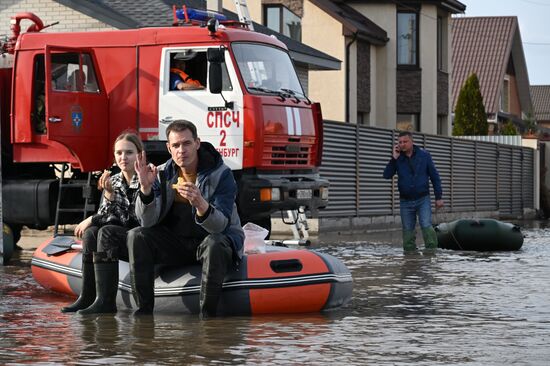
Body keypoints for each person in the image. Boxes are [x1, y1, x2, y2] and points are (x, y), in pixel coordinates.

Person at [129, 119, 244, 318]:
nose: (181, 150)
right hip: (177, 243)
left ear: (197, 143)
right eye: (176, 145)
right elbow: (146, 222)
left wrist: (200, 202)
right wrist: (146, 189)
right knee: (136, 235)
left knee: (214, 242)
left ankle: (207, 317)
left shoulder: (221, 173)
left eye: (186, 143)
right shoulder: (161, 173)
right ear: (169, 148)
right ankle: (143, 314)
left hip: (212, 240)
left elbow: (220, 226)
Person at [61, 131, 143, 314]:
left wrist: (92, 218)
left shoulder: (147, 178)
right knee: (91, 233)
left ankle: (107, 301)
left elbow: (134, 219)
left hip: (139, 238)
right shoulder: (112, 180)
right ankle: (88, 296)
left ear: (139, 154)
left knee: (105, 230)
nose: (123, 157)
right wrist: (108, 195)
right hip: (119, 236)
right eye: (119, 153)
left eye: (129, 152)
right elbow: (107, 216)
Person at [383, 131, 444, 251]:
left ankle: (431, 256)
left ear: (412, 142)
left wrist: (439, 197)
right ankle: (410, 262)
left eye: (405, 142)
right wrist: (393, 158)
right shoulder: (397, 158)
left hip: (423, 199)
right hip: (405, 201)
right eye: (399, 142)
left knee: (426, 225)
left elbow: (435, 177)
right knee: (407, 229)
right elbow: (386, 175)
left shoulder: (424, 155)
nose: (402, 144)